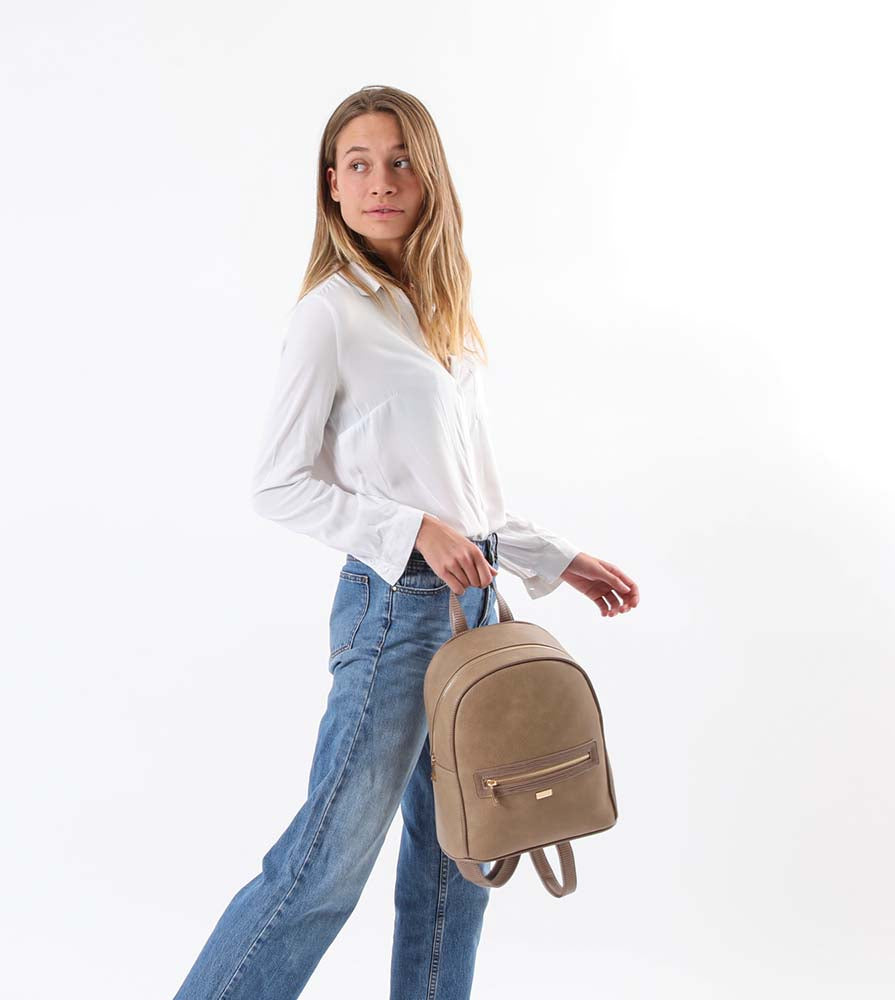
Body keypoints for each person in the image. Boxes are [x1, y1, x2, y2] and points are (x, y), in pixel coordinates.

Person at [172, 84, 639, 1000]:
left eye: (399, 162)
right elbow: (277, 483)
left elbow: (467, 496)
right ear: (331, 186)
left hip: (476, 603)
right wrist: (409, 529)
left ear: (430, 180)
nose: (380, 181)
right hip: (395, 610)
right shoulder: (330, 315)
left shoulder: (444, 316)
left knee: (462, 862)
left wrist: (557, 560)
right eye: (358, 164)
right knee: (323, 865)